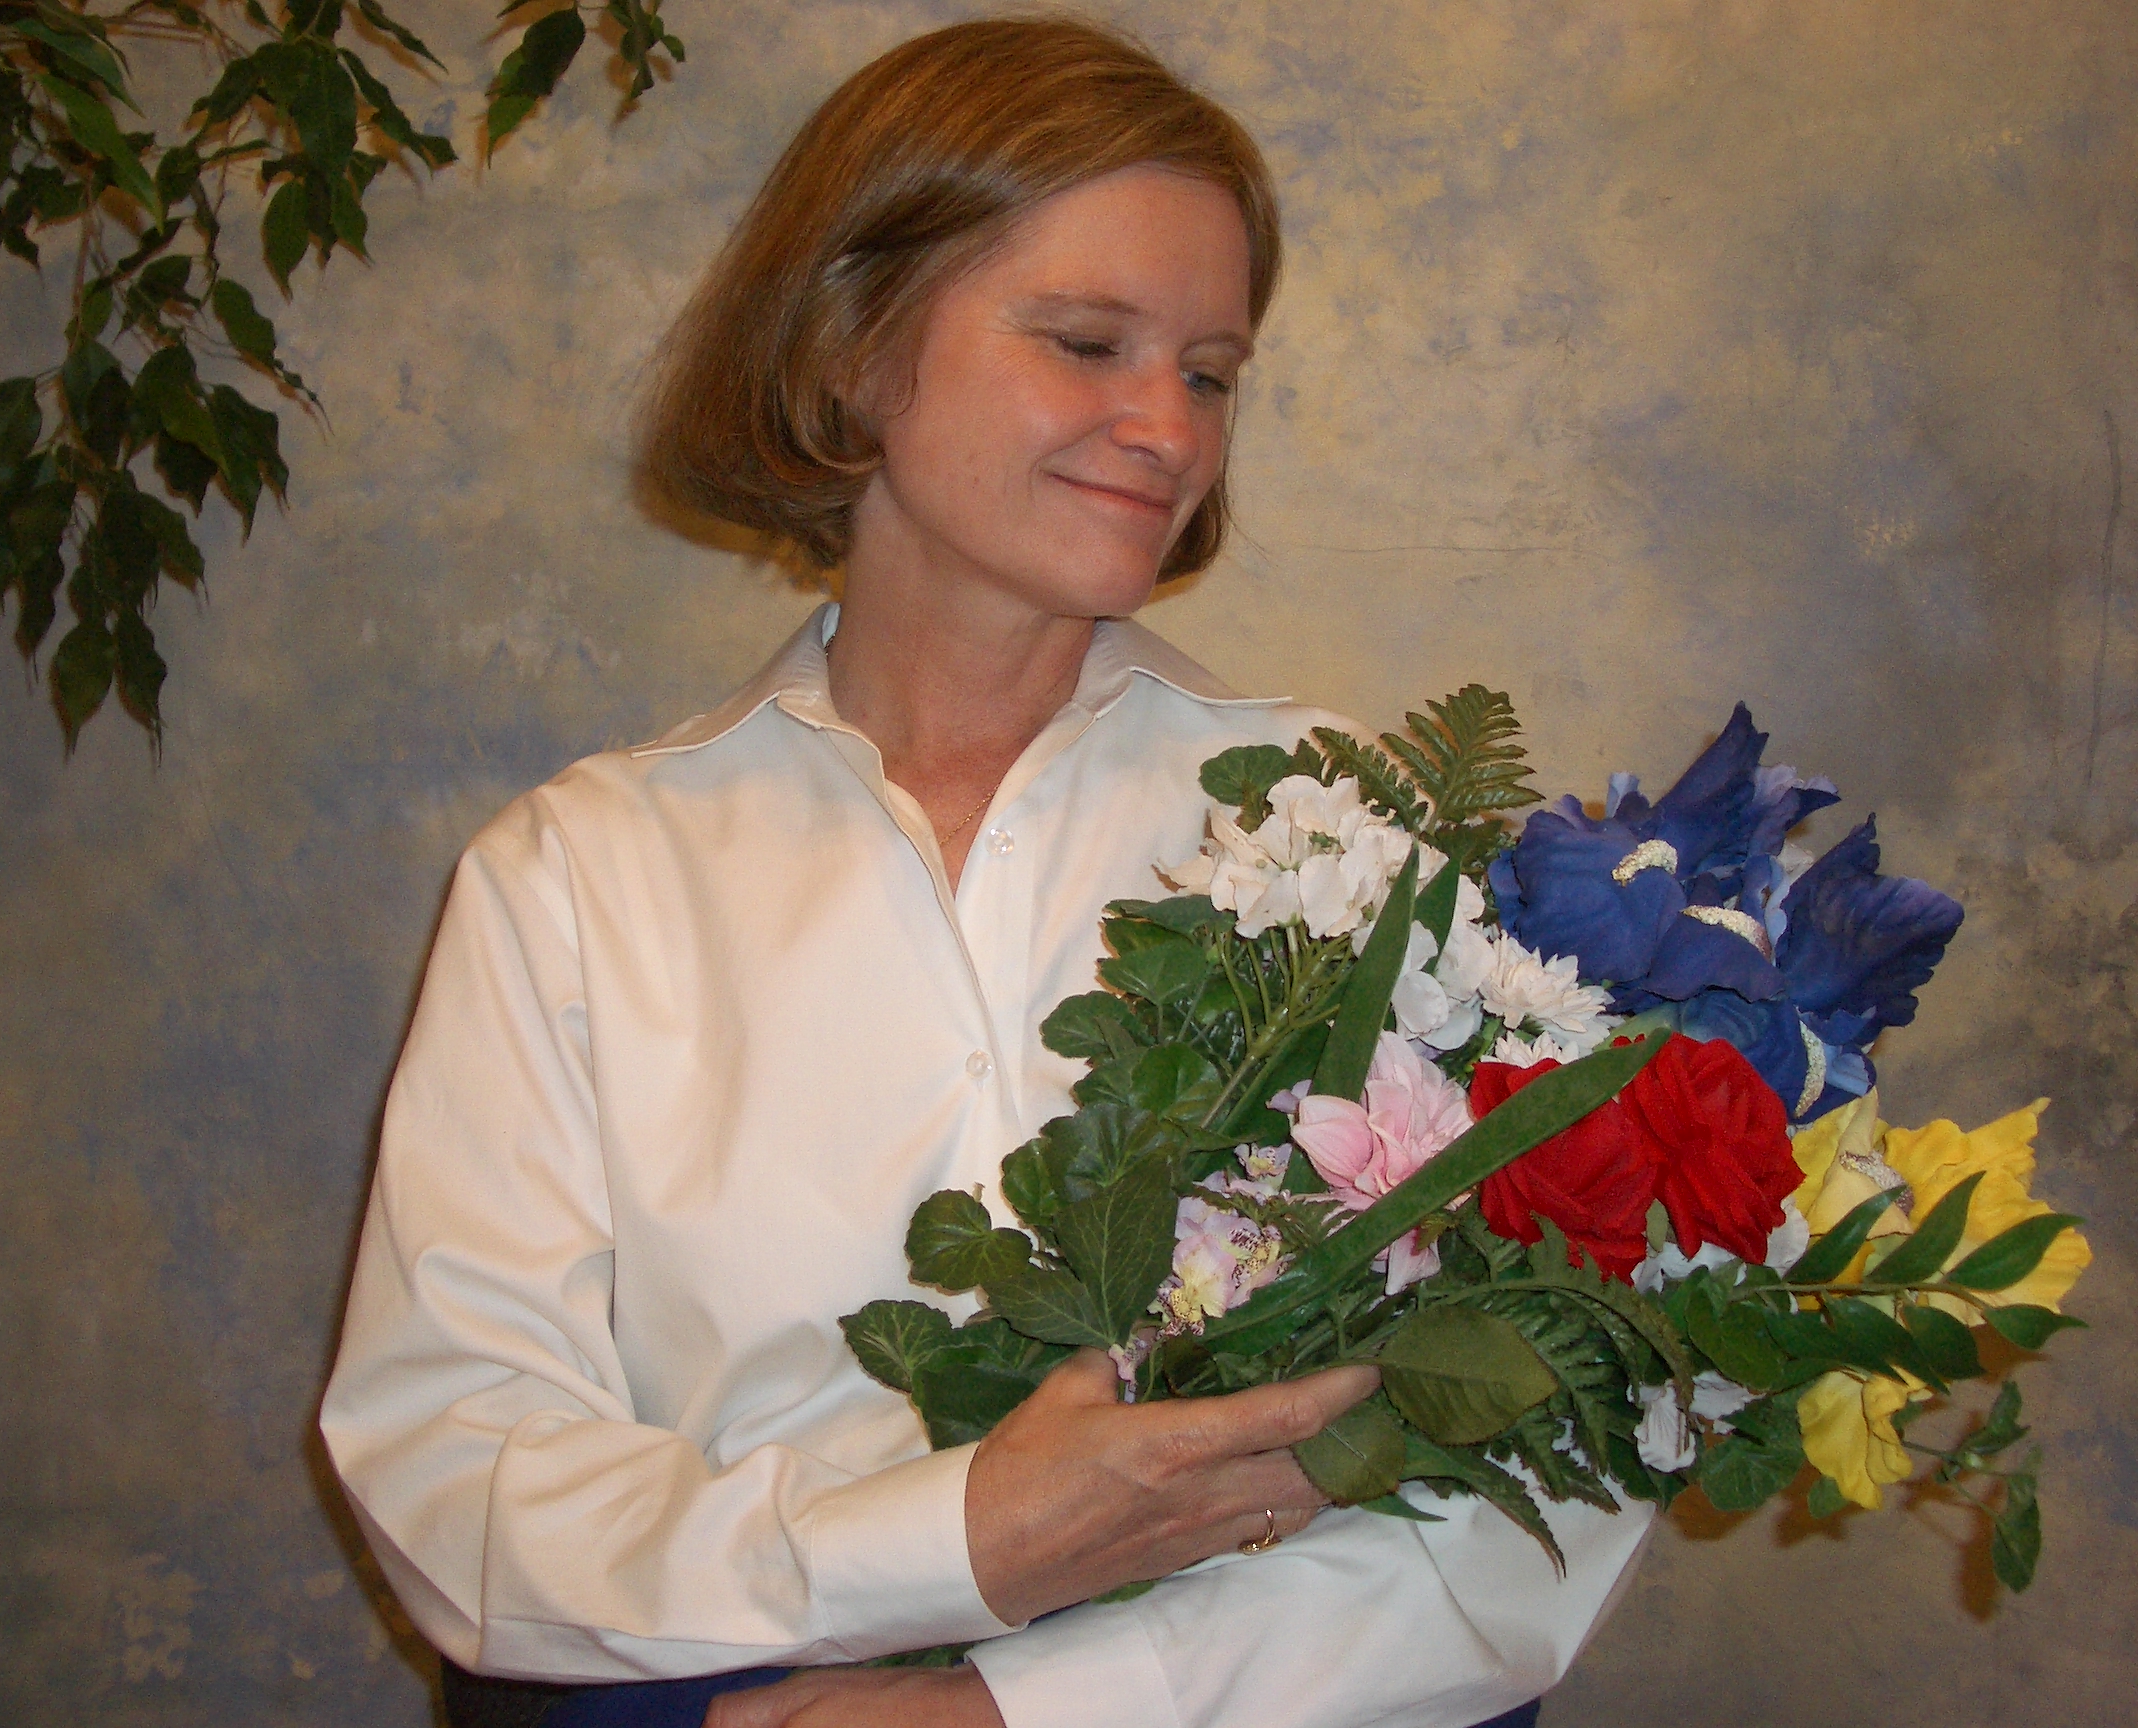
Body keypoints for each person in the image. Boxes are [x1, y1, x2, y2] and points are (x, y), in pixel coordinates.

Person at [320, 19, 1652, 1728]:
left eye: (1211, 372)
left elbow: (1549, 1436)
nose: (1166, 428)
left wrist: (1027, 1710)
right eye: (1089, 342)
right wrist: (951, 1544)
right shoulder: (580, 880)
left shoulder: (1355, 838)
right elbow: (461, 1475)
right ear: (850, 347)